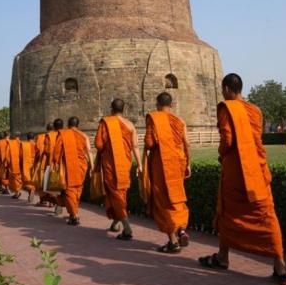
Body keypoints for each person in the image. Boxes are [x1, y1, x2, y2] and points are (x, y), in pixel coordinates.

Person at [198, 73, 286, 285]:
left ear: (227, 89)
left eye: (223, 89)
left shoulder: (227, 108)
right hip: (257, 169)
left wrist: (221, 154)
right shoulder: (255, 110)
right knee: (265, 213)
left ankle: (223, 257)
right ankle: (279, 264)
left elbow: (227, 139)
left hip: (236, 171)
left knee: (228, 212)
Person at [143, 92, 191, 253]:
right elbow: (187, 144)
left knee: (163, 201)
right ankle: (182, 229)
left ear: (157, 104)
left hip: (161, 165)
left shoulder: (154, 118)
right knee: (177, 197)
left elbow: (149, 143)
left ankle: (173, 241)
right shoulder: (180, 121)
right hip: (178, 164)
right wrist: (188, 164)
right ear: (171, 105)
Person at [94, 98, 141, 240]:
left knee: (116, 194)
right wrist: (139, 164)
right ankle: (115, 223)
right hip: (125, 164)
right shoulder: (130, 125)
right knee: (120, 194)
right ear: (124, 110)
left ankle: (127, 228)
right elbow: (135, 146)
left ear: (111, 109)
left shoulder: (106, 122)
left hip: (111, 165)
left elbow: (98, 144)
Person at [53, 116, 90, 225]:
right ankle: (73, 212)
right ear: (78, 125)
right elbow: (88, 150)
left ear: (68, 125)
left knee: (70, 190)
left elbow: (56, 153)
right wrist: (92, 165)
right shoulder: (83, 136)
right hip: (81, 166)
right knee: (77, 190)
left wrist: (56, 163)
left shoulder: (63, 135)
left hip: (69, 167)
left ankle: (74, 215)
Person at [21, 132, 38, 201]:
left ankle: (30, 190)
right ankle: (32, 190)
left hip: (26, 164)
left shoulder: (24, 145)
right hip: (34, 164)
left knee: (25, 182)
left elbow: (21, 155)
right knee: (33, 180)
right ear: (34, 138)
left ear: (27, 138)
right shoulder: (36, 144)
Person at [8, 134, 23, 199]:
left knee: (14, 178)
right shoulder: (21, 143)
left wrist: (7, 163)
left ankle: (17, 192)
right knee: (19, 177)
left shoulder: (10, 144)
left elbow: (7, 155)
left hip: (13, 164)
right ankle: (19, 191)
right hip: (20, 163)